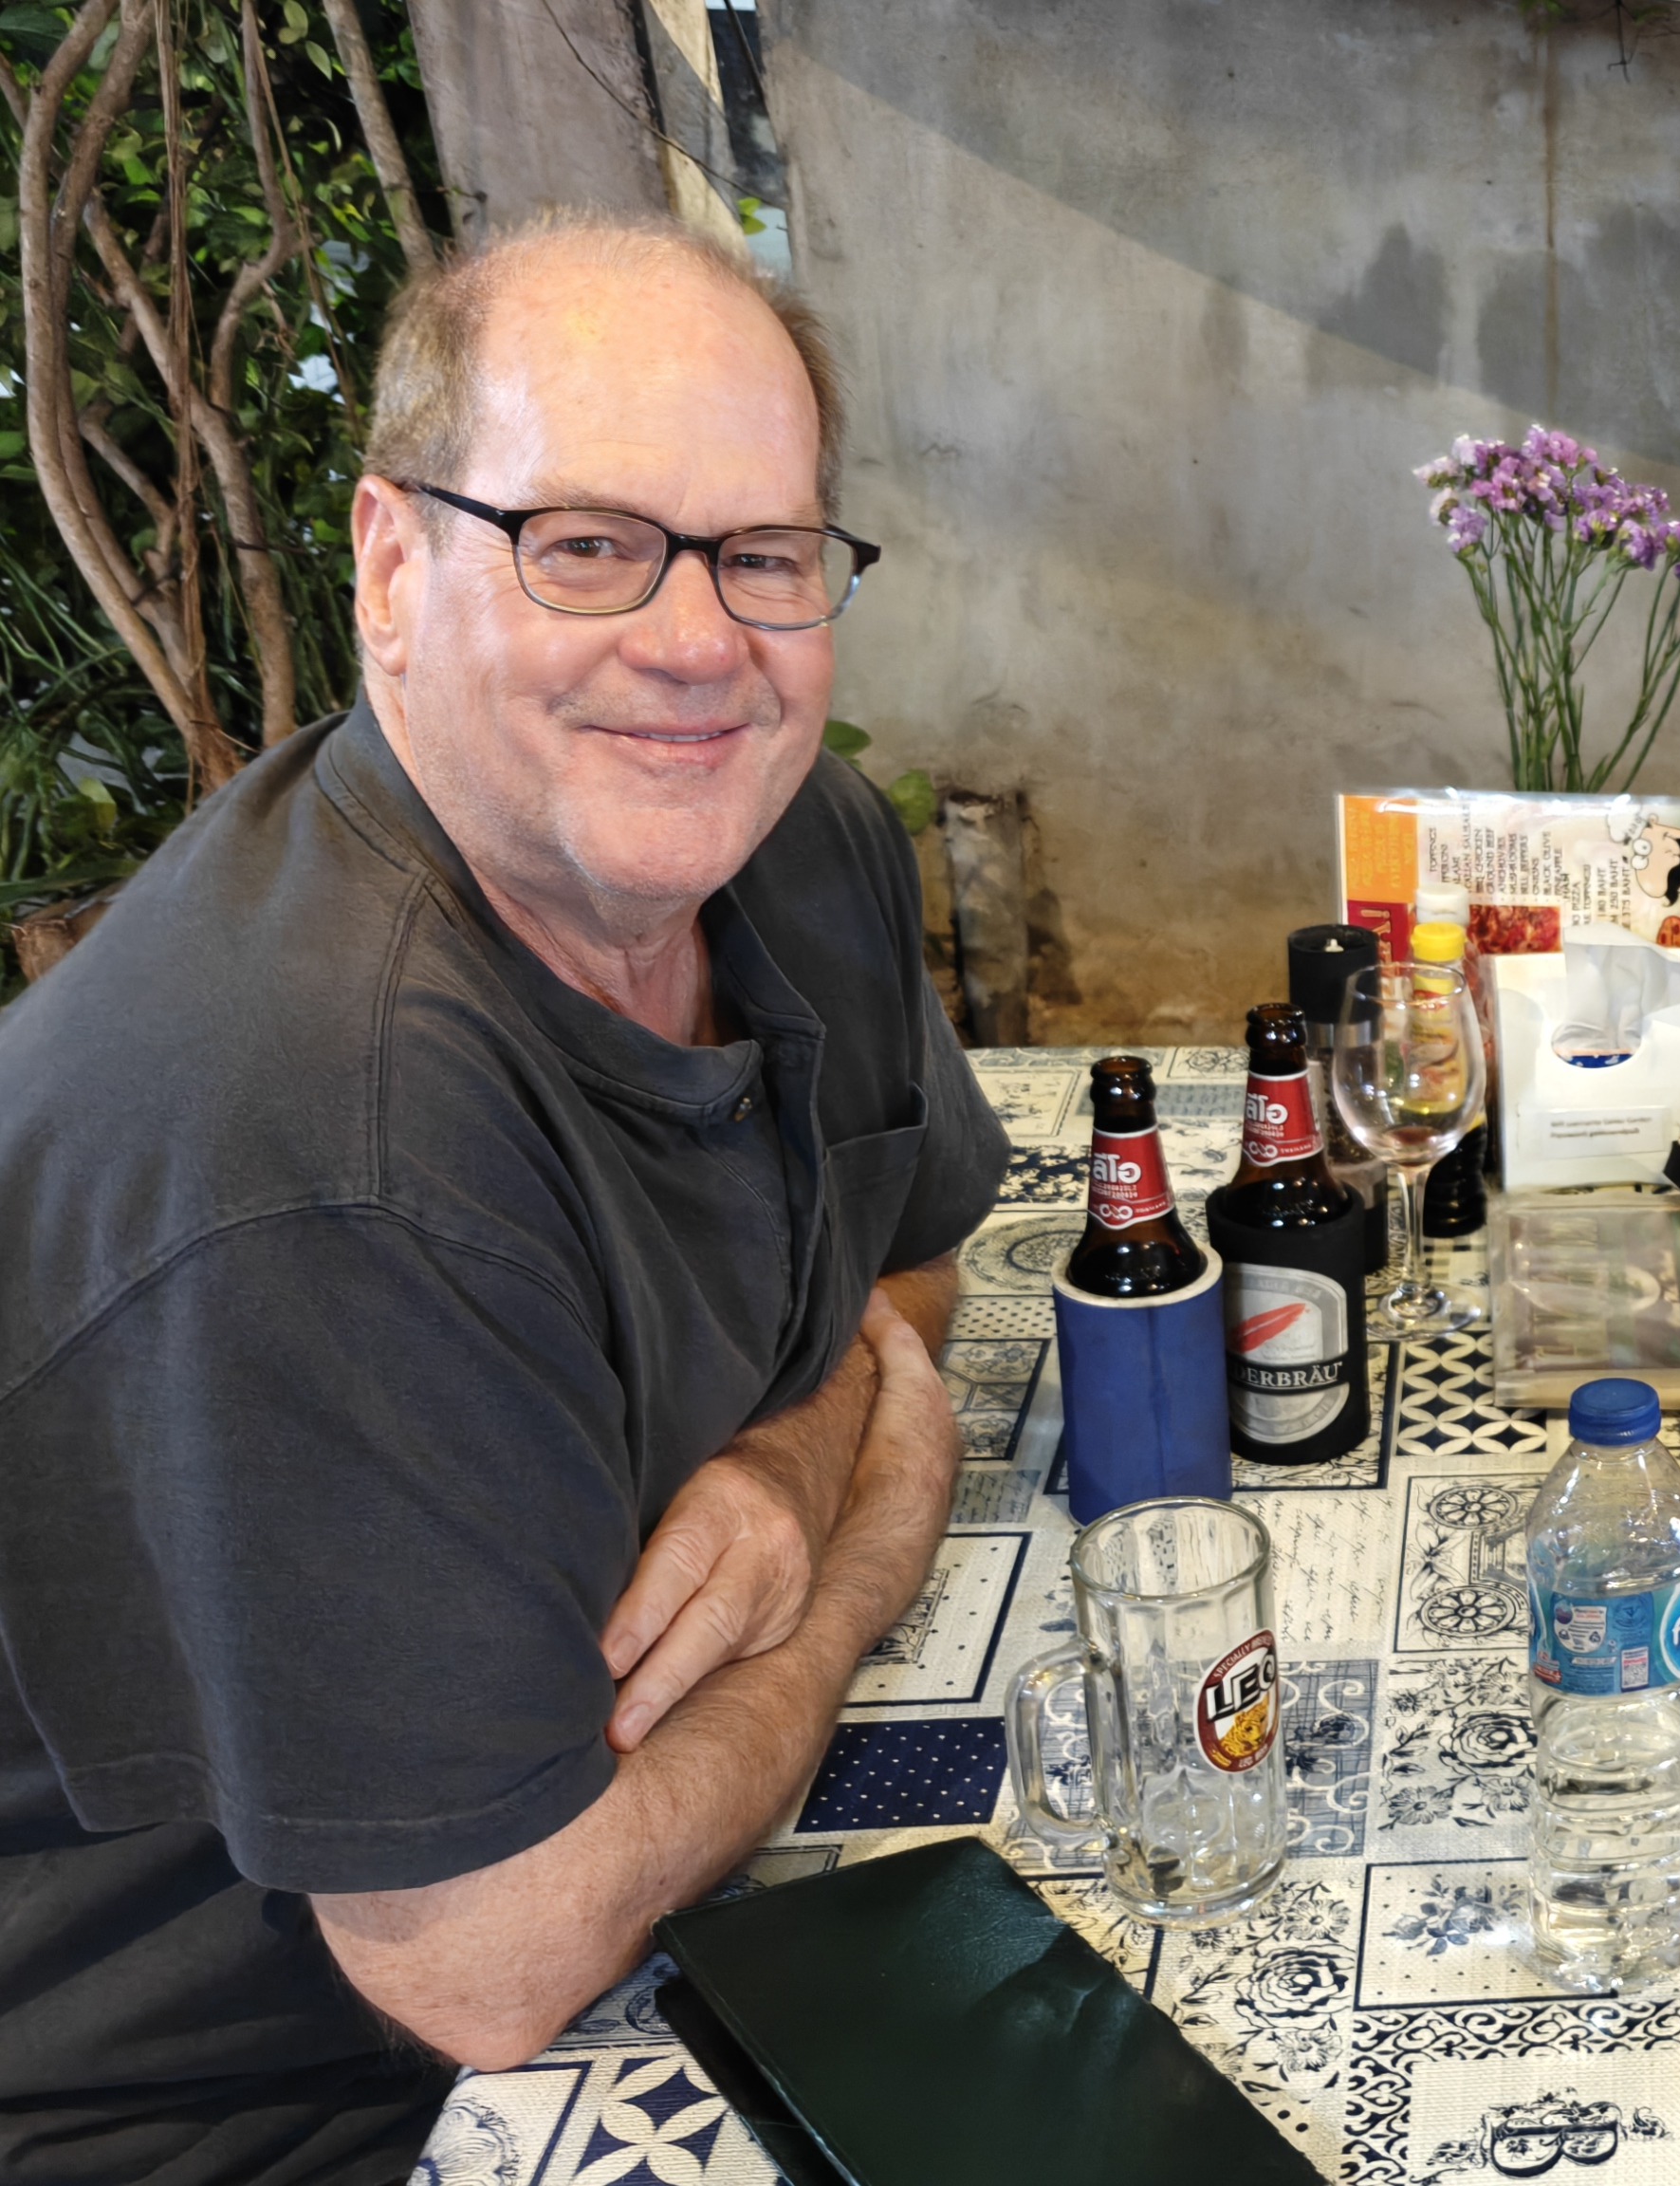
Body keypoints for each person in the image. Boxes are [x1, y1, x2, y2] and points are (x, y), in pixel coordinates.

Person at [0, 213, 1006, 2185]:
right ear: (392, 568)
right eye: (588, 545)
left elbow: (908, 1276)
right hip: (247, 2105)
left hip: (607, 1891)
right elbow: (490, 1960)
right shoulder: (325, 1138)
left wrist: (785, 1466)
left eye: (764, 555)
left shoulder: (792, 841)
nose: (699, 643)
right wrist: (859, 1555)